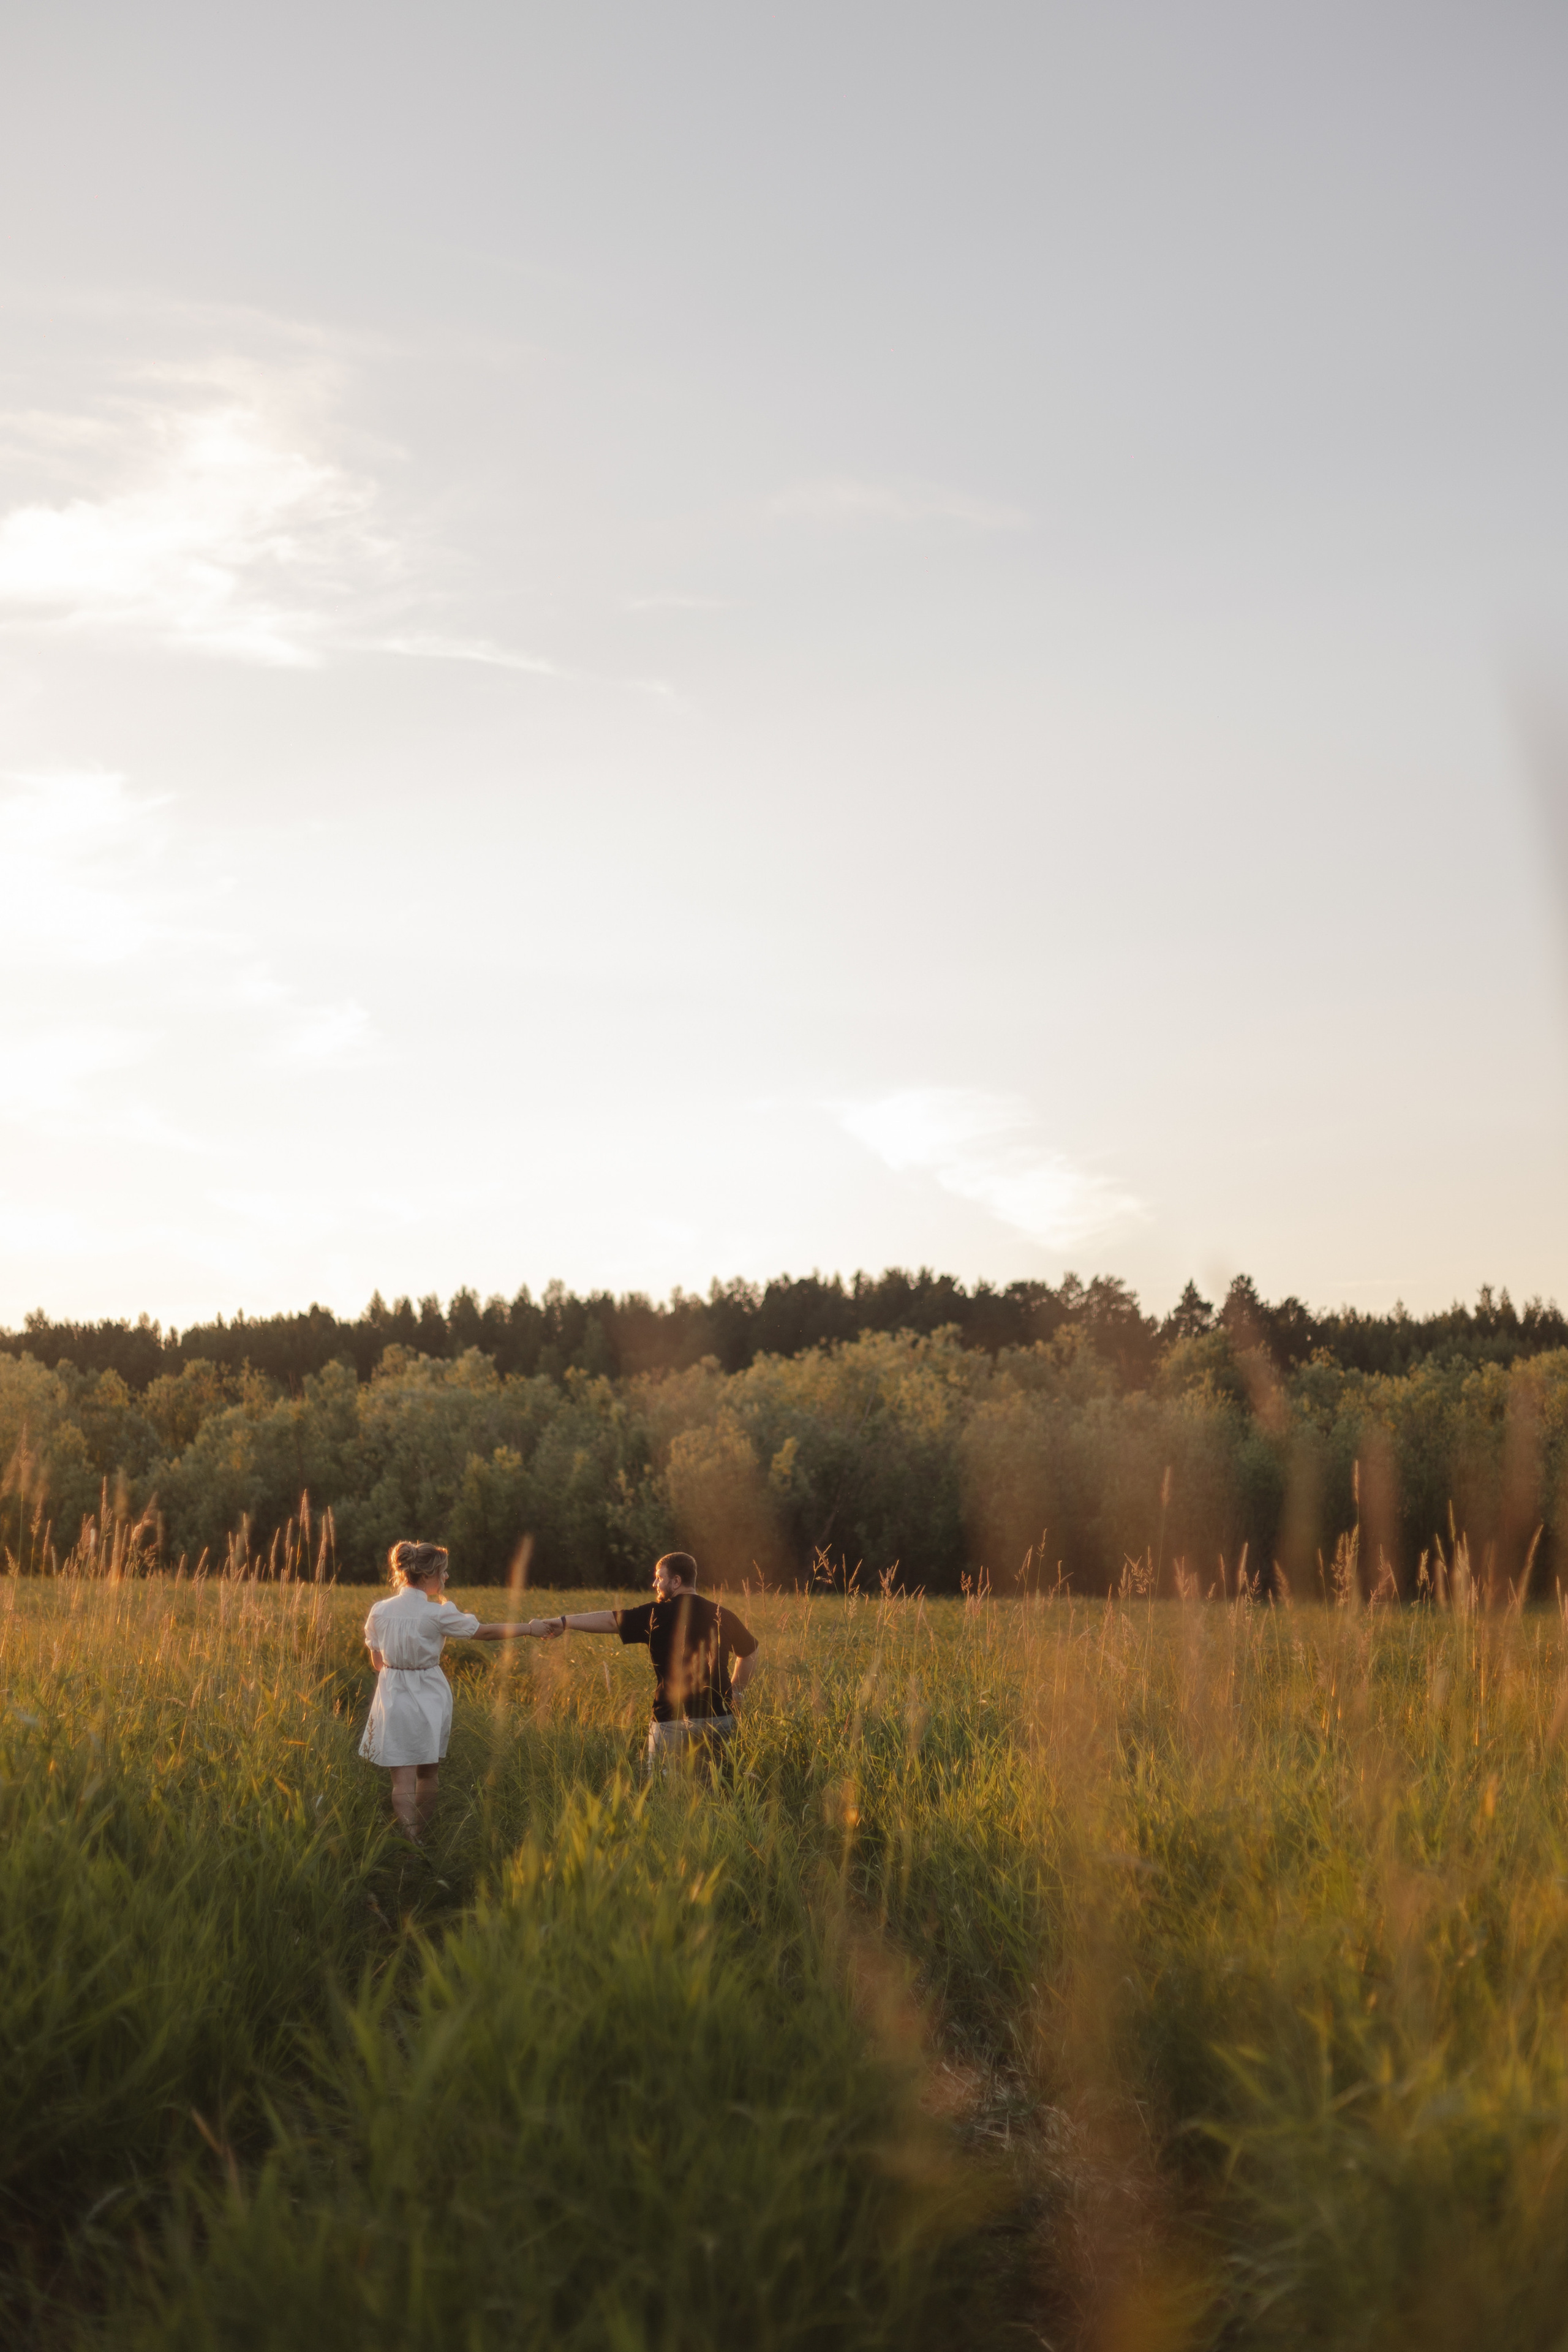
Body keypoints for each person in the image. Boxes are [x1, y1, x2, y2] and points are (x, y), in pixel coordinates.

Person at [360, 1539, 560, 1839]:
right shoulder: (437, 1614)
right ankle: (421, 1837)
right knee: (428, 1773)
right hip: (428, 1695)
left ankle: (409, 1837)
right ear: (428, 1576)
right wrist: (529, 1628)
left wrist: (398, 1665)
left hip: (392, 1695)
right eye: (443, 1572)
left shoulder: (379, 1610)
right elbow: (487, 1632)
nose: (446, 1578)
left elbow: (377, 1663)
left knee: (401, 1781)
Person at [556, 1550, 758, 1775]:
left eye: (659, 1578)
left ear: (676, 1581)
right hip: (721, 1718)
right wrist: (736, 1691)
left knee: (666, 1793)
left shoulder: (656, 1614)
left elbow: (610, 1621)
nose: (655, 1583)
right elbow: (750, 1652)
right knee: (720, 1787)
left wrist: (564, 1622)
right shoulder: (722, 1614)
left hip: (672, 1721)